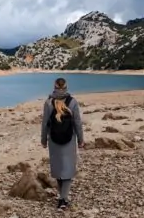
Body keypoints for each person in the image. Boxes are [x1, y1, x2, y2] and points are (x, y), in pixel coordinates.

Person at [41, 77, 84, 211]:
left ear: (54, 86)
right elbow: (77, 123)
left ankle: (62, 197)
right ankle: (63, 199)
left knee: (59, 169)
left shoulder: (48, 102)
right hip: (69, 139)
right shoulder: (73, 102)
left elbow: (45, 123)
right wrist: (81, 139)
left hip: (53, 140)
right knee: (67, 170)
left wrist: (43, 140)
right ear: (66, 87)